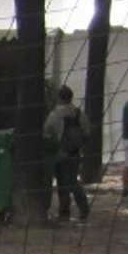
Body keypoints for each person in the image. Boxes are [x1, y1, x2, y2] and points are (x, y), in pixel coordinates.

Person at [42, 85, 90, 223]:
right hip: (75, 152)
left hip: (59, 151)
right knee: (74, 181)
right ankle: (84, 208)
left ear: (59, 97)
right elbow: (87, 132)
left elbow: (46, 131)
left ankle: (64, 212)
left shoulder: (54, 114)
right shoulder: (79, 113)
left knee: (62, 183)